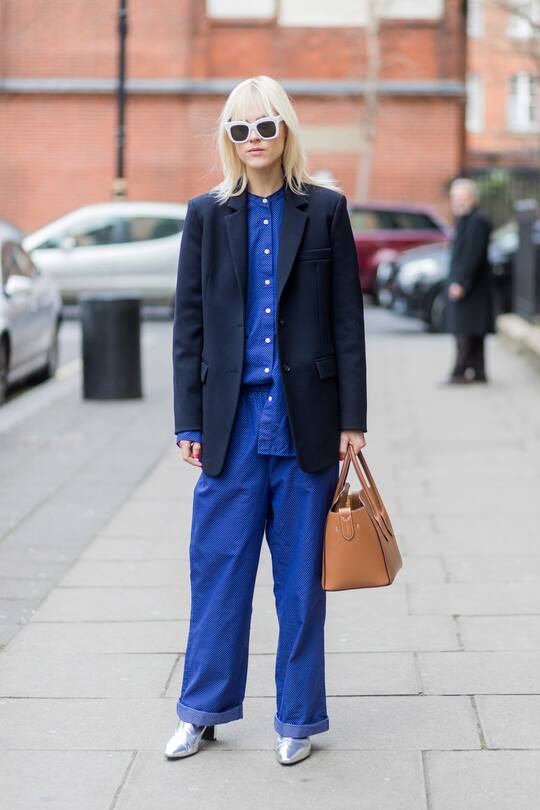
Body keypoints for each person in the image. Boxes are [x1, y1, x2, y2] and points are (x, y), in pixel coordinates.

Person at [165, 75, 368, 766]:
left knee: (300, 584)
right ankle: (202, 712)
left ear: (285, 130)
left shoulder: (325, 209)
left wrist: (352, 419)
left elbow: (347, 321)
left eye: (265, 125)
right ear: (229, 139)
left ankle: (297, 719)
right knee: (218, 574)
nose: (253, 139)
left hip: (307, 421)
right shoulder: (206, 214)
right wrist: (188, 421)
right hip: (231, 423)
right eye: (239, 129)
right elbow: (189, 325)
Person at [443, 177, 495, 384]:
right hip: (472, 286)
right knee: (473, 330)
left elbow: (472, 255)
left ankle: (460, 371)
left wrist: (461, 283)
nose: (455, 201)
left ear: (472, 198)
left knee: (464, 329)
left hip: (470, 287)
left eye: (459, 197)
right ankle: (478, 372)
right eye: (453, 197)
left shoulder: (476, 220)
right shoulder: (468, 219)